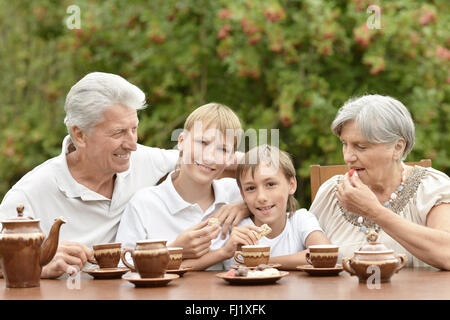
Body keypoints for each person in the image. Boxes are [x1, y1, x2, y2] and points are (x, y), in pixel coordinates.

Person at [0, 73, 246, 278]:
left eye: (134, 129)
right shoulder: (30, 193)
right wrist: (37, 265)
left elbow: (248, 168)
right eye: (118, 133)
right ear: (80, 135)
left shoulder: (145, 160)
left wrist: (245, 205)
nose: (132, 145)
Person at [309, 94, 450, 270]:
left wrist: (375, 212)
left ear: (397, 148)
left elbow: (447, 255)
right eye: (344, 144)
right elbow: (304, 258)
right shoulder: (331, 192)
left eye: (361, 147)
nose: (348, 157)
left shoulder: (431, 186)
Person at [116, 103, 260, 270]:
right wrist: (174, 250)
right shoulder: (144, 204)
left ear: (230, 157)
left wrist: (247, 205)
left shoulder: (236, 193)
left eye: (222, 149)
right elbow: (123, 271)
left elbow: (280, 193)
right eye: (202, 142)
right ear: (182, 142)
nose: (209, 157)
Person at [223, 144, 331, 270]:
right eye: (251, 188)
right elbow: (233, 269)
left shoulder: (300, 220)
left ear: (291, 185)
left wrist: (262, 262)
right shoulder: (239, 230)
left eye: (270, 184)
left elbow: (324, 253)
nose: (261, 197)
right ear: (243, 194)